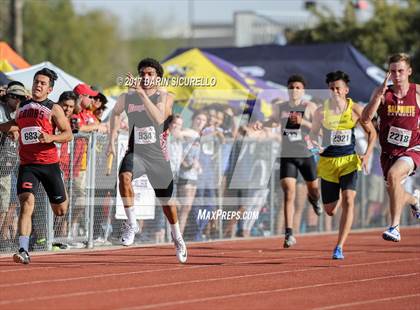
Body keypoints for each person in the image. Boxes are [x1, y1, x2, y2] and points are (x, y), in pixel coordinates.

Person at [107, 58, 187, 263]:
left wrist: (142, 94)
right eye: (142, 73)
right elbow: (115, 114)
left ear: (158, 78)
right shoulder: (127, 97)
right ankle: (132, 224)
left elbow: (159, 118)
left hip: (158, 158)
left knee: (167, 204)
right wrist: (112, 140)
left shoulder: (165, 96)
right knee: (124, 176)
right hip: (137, 154)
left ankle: (177, 236)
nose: (145, 77)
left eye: (150, 74)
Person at [0, 68, 73, 264]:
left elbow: (68, 133)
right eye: (36, 82)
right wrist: (3, 127)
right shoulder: (23, 106)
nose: (38, 85)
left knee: (60, 210)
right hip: (27, 165)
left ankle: (61, 191)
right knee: (26, 203)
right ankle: (23, 249)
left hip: (49, 165)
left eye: (42, 83)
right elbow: (15, 124)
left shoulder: (54, 108)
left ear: (49, 89)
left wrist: (51, 137)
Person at [310, 70, 376, 259]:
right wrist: (315, 148)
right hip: (328, 164)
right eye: (331, 88)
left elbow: (372, 133)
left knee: (349, 199)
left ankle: (339, 246)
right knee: (330, 210)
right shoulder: (320, 111)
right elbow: (312, 135)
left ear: (346, 90)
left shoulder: (355, 109)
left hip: (349, 161)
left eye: (338, 88)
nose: (335, 92)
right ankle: (337, 192)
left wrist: (367, 154)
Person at [255, 75, 322, 248]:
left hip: (306, 155)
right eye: (291, 87)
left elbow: (318, 129)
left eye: (298, 87)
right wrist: (262, 124)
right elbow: (273, 122)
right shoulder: (280, 107)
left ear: (303, 90)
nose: (294, 90)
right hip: (287, 155)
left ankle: (314, 200)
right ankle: (289, 233)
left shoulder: (309, 106)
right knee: (288, 193)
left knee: (314, 190)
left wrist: (303, 122)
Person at [361, 53, 420, 242]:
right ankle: (416, 201)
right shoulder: (382, 92)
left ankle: (394, 227)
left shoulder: (417, 92)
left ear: (409, 72)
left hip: (413, 148)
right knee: (395, 189)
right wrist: (378, 96)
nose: (397, 75)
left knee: (394, 176)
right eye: (393, 71)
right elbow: (365, 119)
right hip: (388, 152)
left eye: (401, 71)